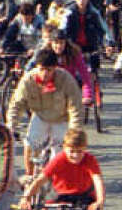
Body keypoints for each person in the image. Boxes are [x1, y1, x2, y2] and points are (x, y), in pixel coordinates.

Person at [7, 49, 83, 177]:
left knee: (60, 157)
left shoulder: (65, 79)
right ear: (36, 67)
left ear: (55, 68)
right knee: (30, 144)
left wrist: (74, 131)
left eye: (49, 70)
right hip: (40, 116)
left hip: (61, 118)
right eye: (41, 69)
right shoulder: (28, 80)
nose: (45, 74)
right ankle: (29, 177)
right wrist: (11, 126)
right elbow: (16, 104)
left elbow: (75, 107)